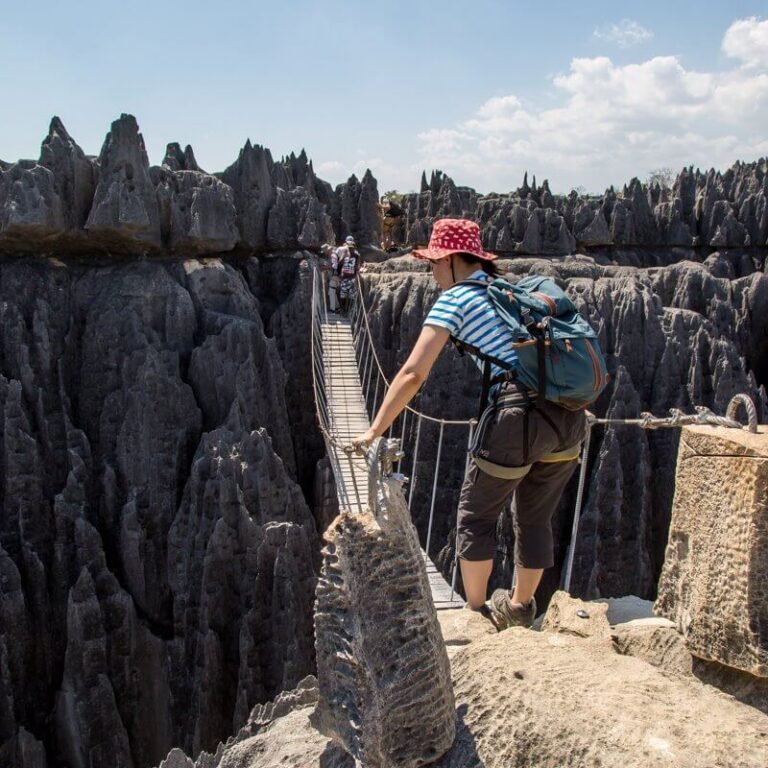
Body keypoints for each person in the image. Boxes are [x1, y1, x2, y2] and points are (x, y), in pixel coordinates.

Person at [351, 218, 586, 630]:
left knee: (475, 517)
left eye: (435, 263)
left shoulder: (455, 299)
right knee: (534, 518)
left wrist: (374, 431)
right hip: (568, 417)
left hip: (517, 418)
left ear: (456, 261)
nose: (432, 272)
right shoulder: (511, 291)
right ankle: (519, 608)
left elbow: (412, 374)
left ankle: (476, 614)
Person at [337, 235, 362, 314]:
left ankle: (350, 311)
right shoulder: (345, 253)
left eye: (351, 246)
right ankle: (343, 310)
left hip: (352, 278)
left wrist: (357, 276)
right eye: (349, 245)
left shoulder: (357, 255)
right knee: (343, 294)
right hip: (345, 277)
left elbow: (358, 266)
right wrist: (343, 256)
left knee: (351, 295)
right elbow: (340, 264)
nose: (350, 247)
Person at [320, 243, 341, 313]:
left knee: (331, 292)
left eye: (325, 251)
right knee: (332, 291)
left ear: (327, 250)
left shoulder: (333, 255)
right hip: (335, 276)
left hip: (335, 276)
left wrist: (324, 268)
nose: (325, 253)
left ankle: (333, 309)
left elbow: (334, 266)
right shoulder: (333, 254)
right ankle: (338, 308)